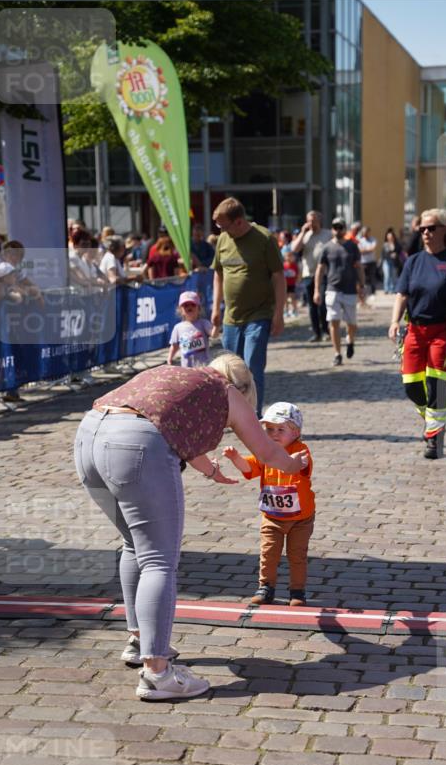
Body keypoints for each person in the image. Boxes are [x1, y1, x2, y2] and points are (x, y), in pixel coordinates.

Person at [74, 353, 308, 701]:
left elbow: (171, 430)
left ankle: (140, 641)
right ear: (244, 389)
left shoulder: (178, 377)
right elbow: (266, 452)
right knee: (159, 560)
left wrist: (212, 472)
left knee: (133, 545)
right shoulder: (226, 391)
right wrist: (294, 464)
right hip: (134, 445)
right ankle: (157, 674)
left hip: (89, 437)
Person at [388, 208, 446, 460]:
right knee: (411, 385)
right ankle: (434, 421)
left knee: (436, 384)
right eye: (422, 229)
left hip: (443, 332)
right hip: (414, 330)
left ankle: (434, 437)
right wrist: (394, 321)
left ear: (444, 230)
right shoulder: (413, 262)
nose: (425, 233)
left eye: (431, 228)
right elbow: (402, 294)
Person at [223, 402, 314, 608]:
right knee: (268, 552)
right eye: (269, 429)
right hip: (272, 516)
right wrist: (235, 458)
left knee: (297, 554)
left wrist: (295, 461)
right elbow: (249, 468)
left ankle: (297, 590)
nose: (274, 434)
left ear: (296, 432)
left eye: (281, 429)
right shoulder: (264, 452)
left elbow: (302, 465)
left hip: (300, 518)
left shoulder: (301, 450)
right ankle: (266, 587)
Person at [210, 197, 285, 416]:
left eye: (224, 225)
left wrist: (278, 314)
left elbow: (278, 276)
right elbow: (218, 274)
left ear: (240, 221)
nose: (221, 230)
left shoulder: (264, 239)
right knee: (228, 371)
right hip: (231, 318)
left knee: (252, 367)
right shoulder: (223, 240)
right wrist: (216, 307)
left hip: (259, 314)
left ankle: (253, 416)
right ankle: (231, 415)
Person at [314, 217, 364, 366]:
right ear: (332, 229)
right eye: (335, 227)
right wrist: (317, 290)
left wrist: (362, 285)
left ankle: (350, 340)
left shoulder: (352, 246)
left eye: (340, 227)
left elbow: (359, 267)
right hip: (332, 289)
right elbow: (320, 269)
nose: (338, 229)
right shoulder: (327, 247)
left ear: (345, 228)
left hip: (350, 290)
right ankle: (337, 353)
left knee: (351, 324)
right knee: (334, 322)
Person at [291, 210, 331, 342]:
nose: (311, 223)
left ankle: (326, 331)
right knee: (311, 306)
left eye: (313, 220)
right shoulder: (305, 235)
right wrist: (302, 232)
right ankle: (316, 332)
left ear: (319, 221)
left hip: (324, 274)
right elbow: (294, 249)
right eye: (309, 221)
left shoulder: (327, 234)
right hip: (308, 274)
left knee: (323, 305)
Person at [167, 290, 212, 368]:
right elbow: (174, 346)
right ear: (180, 310)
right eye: (185, 305)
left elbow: (213, 334)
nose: (189, 307)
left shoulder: (204, 323)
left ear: (199, 308)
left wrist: (216, 327)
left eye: (193, 305)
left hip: (204, 367)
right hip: (187, 368)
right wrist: (170, 357)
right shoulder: (178, 328)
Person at [358, 226, 378, 296]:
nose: (365, 233)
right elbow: (360, 251)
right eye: (364, 232)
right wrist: (368, 250)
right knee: (363, 278)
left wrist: (365, 250)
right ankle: (364, 292)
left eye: (366, 232)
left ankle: (373, 292)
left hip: (372, 261)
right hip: (363, 262)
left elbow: (372, 249)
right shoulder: (360, 240)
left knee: (372, 277)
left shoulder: (373, 239)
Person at [381, 229, 401, 294]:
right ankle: (386, 289)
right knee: (387, 275)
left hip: (394, 262)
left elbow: (399, 251)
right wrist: (390, 255)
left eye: (391, 236)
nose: (389, 237)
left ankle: (393, 289)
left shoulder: (397, 244)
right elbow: (384, 254)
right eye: (388, 236)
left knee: (394, 276)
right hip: (387, 261)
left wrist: (396, 254)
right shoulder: (385, 245)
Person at [283, 250, 300, 318]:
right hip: (285, 285)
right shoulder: (283, 265)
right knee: (285, 298)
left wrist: (297, 281)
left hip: (292, 284)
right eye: (287, 256)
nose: (289, 257)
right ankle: (286, 311)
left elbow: (298, 274)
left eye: (290, 256)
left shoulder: (294, 265)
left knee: (293, 298)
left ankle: (294, 310)